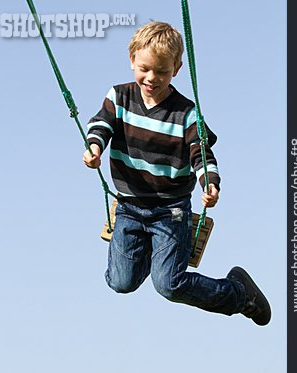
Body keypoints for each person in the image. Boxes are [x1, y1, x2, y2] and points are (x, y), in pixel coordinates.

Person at [83, 21, 271, 326]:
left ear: (177, 69)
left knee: (168, 284)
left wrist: (209, 183)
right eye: (144, 68)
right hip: (129, 206)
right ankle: (145, 249)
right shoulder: (119, 97)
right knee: (120, 282)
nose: (151, 78)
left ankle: (239, 294)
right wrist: (94, 148)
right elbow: (101, 124)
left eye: (162, 72)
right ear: (131, 59)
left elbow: (202, 152)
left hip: (170, 211)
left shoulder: (185, 113)